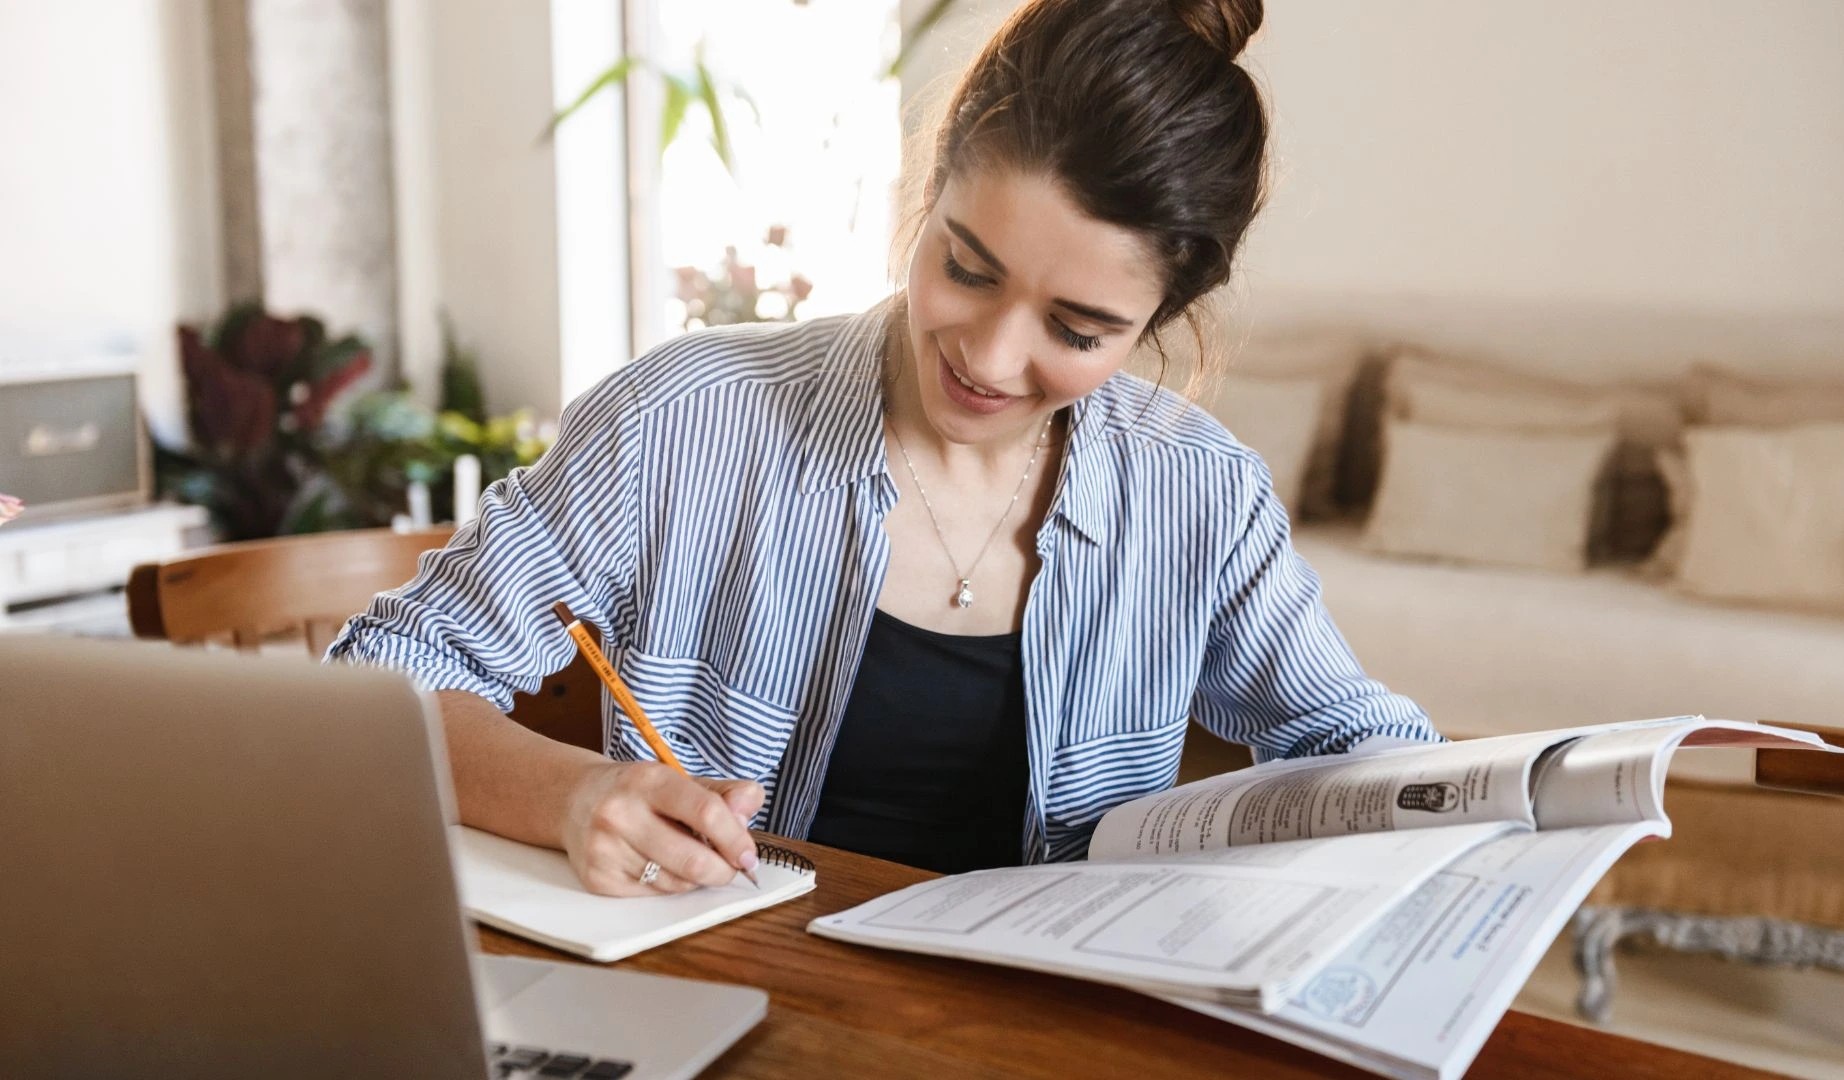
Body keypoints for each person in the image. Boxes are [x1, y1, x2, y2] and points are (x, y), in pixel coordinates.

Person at [328, 0, 1439, 894]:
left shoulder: (1197, 493)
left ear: (1158, 323)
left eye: (1076, 330)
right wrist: (576, 797)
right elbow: (375, 691)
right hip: (740, 994)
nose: (993, 361)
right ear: (931, 183)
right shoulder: (682, 422)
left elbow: (1355, 745)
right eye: (966, 267)